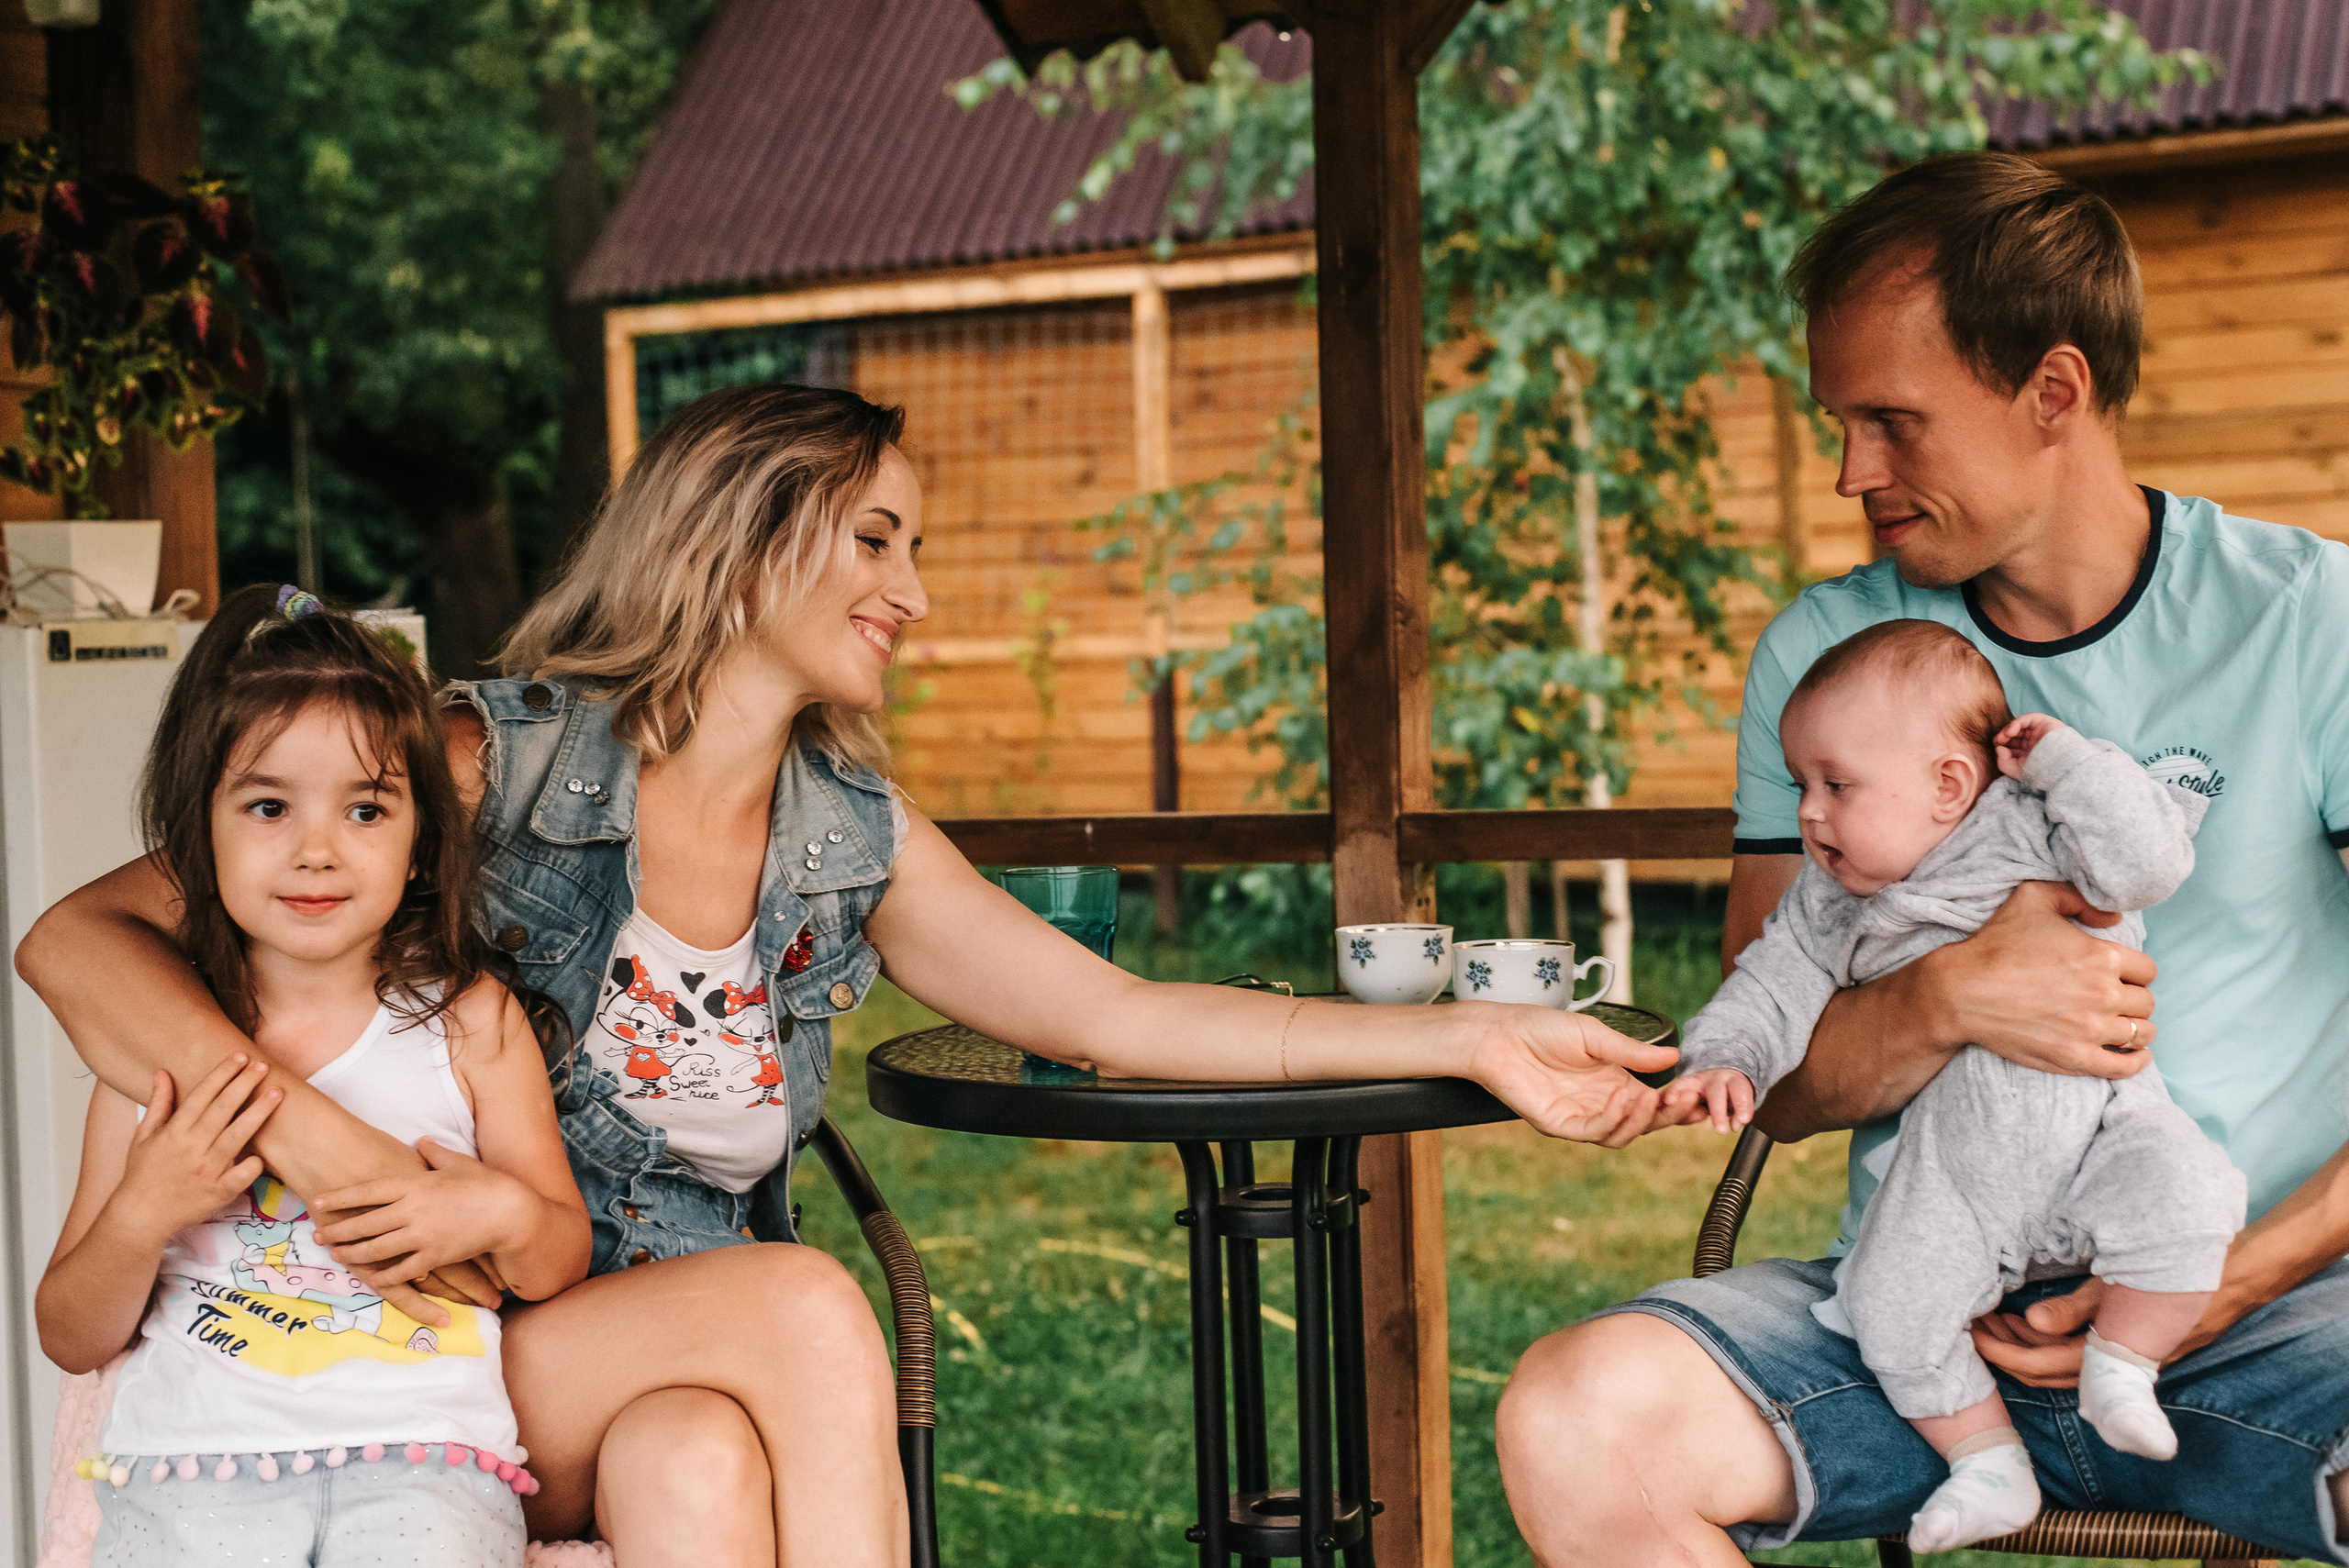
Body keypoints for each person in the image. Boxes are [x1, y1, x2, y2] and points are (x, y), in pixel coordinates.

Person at [18, 384, 1684, 1566]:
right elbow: (72, 936)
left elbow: (1118, 1012)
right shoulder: (480, 759)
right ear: (744, 542)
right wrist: (344, 1152)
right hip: (442, 1341)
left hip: (654, 1360)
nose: (915, 588)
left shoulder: (845, 828)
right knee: (815, 1309)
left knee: (697, 1460)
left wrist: (1479, 1029)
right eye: (876, 538)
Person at [1496, 150, 2349, 1566]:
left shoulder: (2313, 621)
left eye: (1894, 421)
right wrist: (1951, 997)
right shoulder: (1824, 663)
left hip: (2279, 1310)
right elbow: (1781, 1081)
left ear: (2053, 394)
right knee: (1579, 1418)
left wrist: (2225, 1280)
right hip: (1919, 1311)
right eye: (1839, 424)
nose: (1851, 474)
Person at [38, 585, 590, 1566]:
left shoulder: (469, 1023)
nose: (316, 848)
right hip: (191, 1472)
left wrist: (499, 1215)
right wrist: (142, 1210)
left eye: (366, 807)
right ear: (197, 833)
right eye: (267, 805)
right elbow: (70, 1332)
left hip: (426, 1466)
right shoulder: (158, 1042)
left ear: (421, 842)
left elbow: (554, 1256)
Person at [1664, 619, 2243, 1551]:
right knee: (1889, 1302)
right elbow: (1766, 986)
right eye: (1802, 784)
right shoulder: (1829, 904)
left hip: (2104, 1130)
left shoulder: (2038, 824)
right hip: (1955, 1176)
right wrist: (1725, 1058)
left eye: (1836, 784)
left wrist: (2066, 761)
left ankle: (2122, 1365)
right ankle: (1986, 1462)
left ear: (1948, 783)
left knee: (2190, 1189)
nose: (1809, 813)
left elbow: (2149, 862)